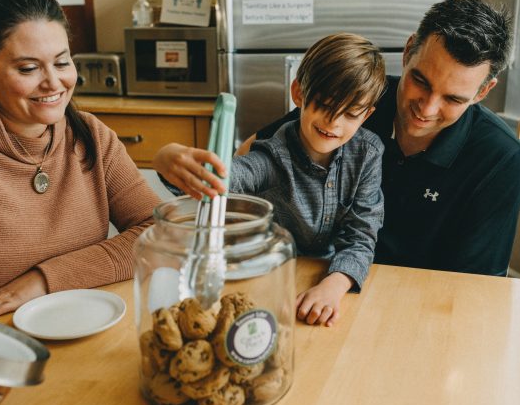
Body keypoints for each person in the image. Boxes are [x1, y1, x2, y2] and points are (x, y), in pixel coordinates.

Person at [156, 0, 520, 277]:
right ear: (409, 50)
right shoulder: (358, 98)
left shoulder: (500, 158)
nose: (426, 109)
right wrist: (178, 160)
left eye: (452, 99)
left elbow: (478, 286)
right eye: (420, 81)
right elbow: (260, 148)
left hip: (419, 305)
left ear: (482, 92)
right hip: (322, 278)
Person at [0, 0, 161, 318]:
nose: (53, 83)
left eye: (62, 62)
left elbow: (158, 234)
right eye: (28, 68)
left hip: (88, 328)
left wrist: (43, 280)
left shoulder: (92, 136)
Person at [157, 33, 386, 326]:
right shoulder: (271, 156)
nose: (333, 123)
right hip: (269, 277)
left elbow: (361, 237)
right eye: (325, 105)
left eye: (351, 114)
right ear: (299, 93)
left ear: (366, 115)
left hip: (330, 278)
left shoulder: (368, 154)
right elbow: (225, 178)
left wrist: (334, 285)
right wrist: (169, 159)